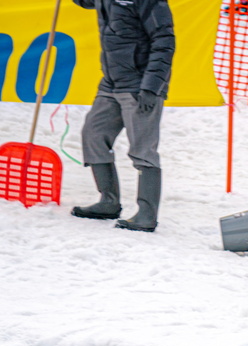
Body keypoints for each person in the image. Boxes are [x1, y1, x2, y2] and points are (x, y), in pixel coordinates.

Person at [70, 0, 175, 233]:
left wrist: (151, 87)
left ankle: (146, 215)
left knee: (142, 149)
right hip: (112, 81)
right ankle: (108, 201)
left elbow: (164, 41)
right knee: (94, 134)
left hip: (140, 84)